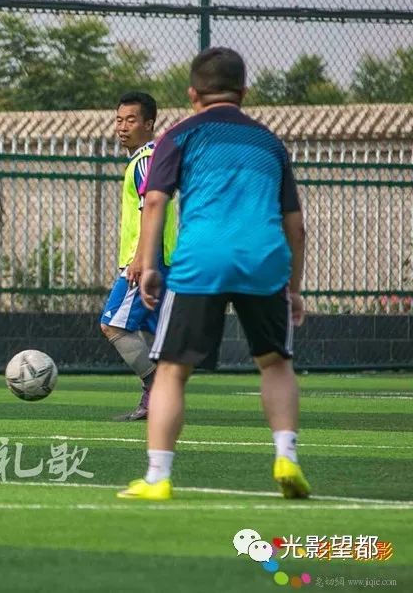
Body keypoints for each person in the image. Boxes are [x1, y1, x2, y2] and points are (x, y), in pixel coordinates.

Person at [117, 47, 309, 501]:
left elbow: (157, 201)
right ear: (244, 91)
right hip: (264, 260)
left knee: (171, 370)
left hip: (201, 260)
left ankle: (158, 477)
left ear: (192, 93)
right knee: (275, 363)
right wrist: (295, 288)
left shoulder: (179, 136)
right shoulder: (269, 142)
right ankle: (287, 457)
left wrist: (147, 263)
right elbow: (296, 225)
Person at [99, 91, 177, 421]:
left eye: (131, 120)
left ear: (149, 123)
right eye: (118, 119)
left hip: (147, 261)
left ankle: (155, 391)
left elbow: (151, 208)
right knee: (160, 337)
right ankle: (161, 396)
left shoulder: (146, 158)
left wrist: (140, 260)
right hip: (156, 260)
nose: (122, 126)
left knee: (112, 325)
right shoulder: (146, 158)